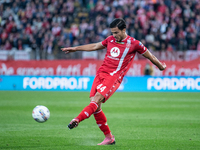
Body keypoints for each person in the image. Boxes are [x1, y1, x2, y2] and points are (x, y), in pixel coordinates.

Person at [61, 18, 166, 145]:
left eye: (116, 32)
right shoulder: (110, 39)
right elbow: (95, 45)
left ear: (124, 30)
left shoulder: (134, 44)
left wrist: (160, 66)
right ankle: (109, 138)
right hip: (101, 73)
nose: (114, 35)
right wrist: (75, 49)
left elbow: (150, 56)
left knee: (97, 99)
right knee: (95, 106)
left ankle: (77, 119)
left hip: (114, 77)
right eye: (112, 33)